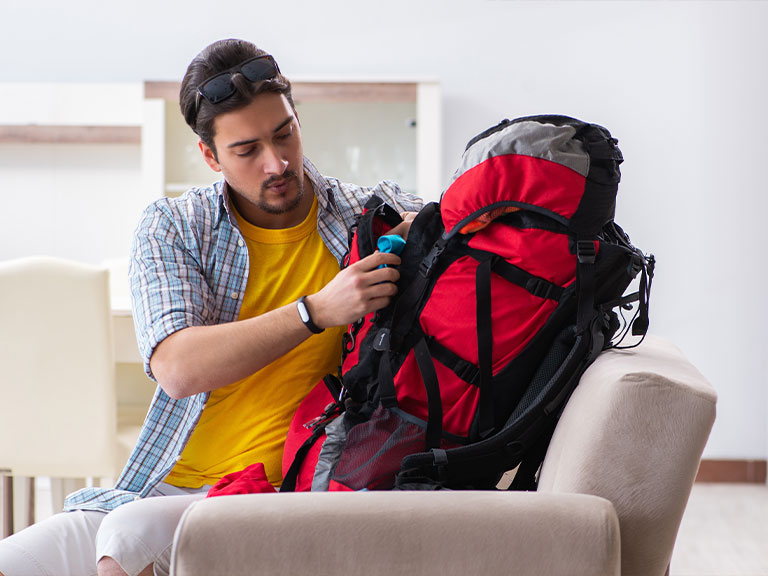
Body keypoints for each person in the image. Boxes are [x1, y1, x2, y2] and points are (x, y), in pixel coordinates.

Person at [0, 38, 422, 576]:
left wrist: (424, 231)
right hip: (158, 485)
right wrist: (315, 310)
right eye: (247, 150)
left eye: (284, 134)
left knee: (126, 541)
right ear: (210, 156)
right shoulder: (175, 227)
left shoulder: (362, 213)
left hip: (277, 492)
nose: (277, 163)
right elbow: (177, 369)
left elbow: (466, 218)